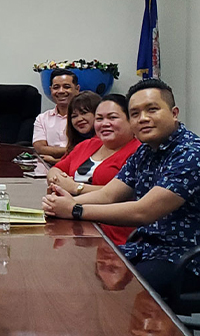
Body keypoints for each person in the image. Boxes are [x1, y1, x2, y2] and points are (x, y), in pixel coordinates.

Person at [43, 79, 200, 297]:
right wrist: (62, 202)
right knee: (82, 272)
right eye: (135, 113)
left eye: (152, 109)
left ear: (174, 113)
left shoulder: (190, 154)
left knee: (123, 291)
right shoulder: (145, 152)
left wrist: (74, 209)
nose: (143, 118)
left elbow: (142, 211)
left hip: (185, 257)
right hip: (146, 247)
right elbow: (109, 194)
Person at [46, 94, 141, 245]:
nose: (104, 124)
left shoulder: (138, 152)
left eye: (112, 117)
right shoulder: (88, 144)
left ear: (131, 120)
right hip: (74, 224)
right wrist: (57, 184)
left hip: (111, 235)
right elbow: (55, 169)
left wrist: (75, 189)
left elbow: (116, 194)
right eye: (99, 119)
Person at [33, 68, 80, 164]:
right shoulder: (42, 119)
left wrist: (56, 159)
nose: (61, 91)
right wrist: (74, 150)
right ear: (51, 90)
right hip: (47, 167)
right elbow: (39, 148)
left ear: (77, 89)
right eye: (56, 87)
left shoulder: (84, 117)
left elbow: (89, 150)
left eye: (66, 87)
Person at [64, 91, 101, 155]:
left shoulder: (107, 144)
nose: (79, 119)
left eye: (84, 113)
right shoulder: (74, 147)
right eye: (74, 116)